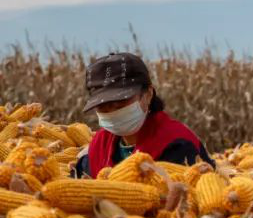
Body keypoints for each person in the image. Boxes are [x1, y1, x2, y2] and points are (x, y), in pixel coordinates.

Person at [73, 52, 214, 178]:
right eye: (104, 106)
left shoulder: (177, 144)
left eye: (120, 102)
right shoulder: (99, 146)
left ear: (148, 95)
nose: (112, 111)